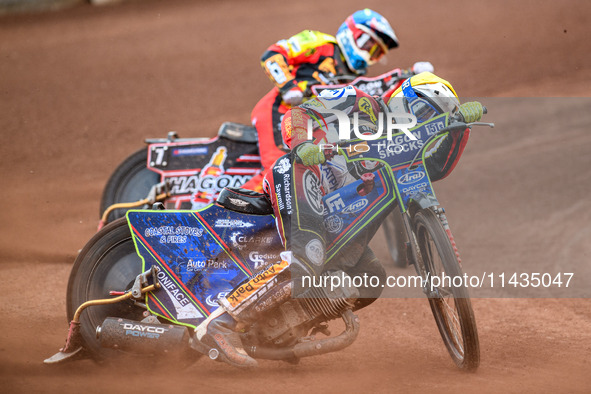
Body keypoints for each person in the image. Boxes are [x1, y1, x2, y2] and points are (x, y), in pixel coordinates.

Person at [196, 72, 484, 368]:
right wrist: (301, 144)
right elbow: (298, 112)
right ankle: (221, 325)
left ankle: (284, 328)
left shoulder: (406, 156)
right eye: (423, 111)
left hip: (337, 215)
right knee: (309, 256)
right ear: (401, 100)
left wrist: (458, 129)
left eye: (434, 119)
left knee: (371, 277)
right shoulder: (359, 101)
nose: (424, 122)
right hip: (301, 173)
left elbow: (436, 167)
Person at [242, 8, 428, 192]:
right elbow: (273, 54)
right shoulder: (321, 43)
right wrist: (288, 86)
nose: (369, 56)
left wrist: (411, 77)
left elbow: (377, 95)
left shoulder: (351, 79)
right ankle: (224, 212)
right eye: (369, 45)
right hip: (279, 110)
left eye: (376, 54)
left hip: (309, 124)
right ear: (353, 34)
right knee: (279, 171)